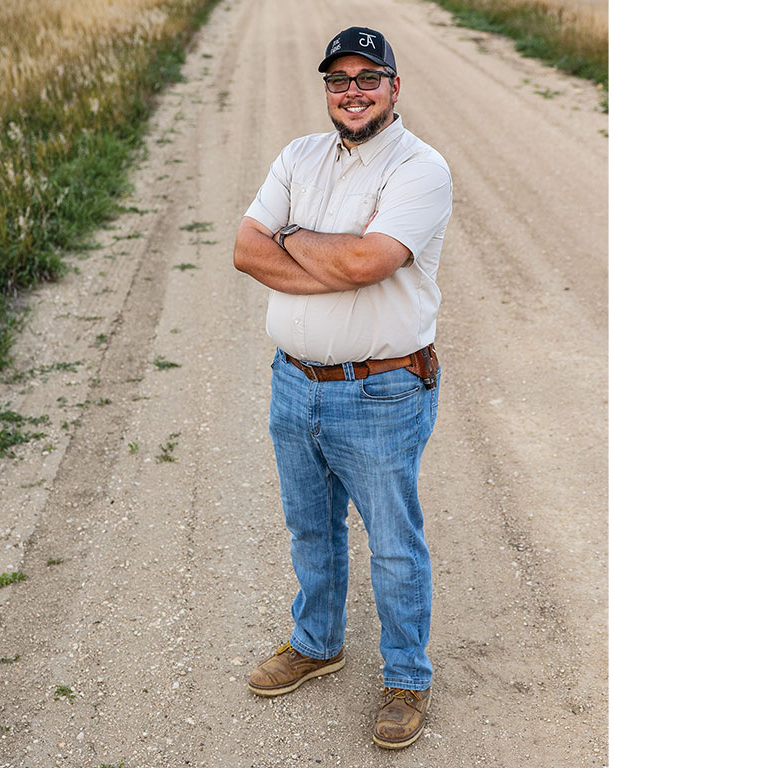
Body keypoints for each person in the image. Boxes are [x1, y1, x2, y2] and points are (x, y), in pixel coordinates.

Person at [232, 26, 453, 749]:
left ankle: (407, 677)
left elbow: (368, 261)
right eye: (338, 80)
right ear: (327, 89)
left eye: (367, 77)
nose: (351, 91)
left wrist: (289, 235)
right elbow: (244, 249)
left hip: (382, 390)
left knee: (393, 543)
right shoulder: (299, 155)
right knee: (309, 526)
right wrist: (330, 251)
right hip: (293, 382)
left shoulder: (421, 169)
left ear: (395, 86)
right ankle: (317, 642)